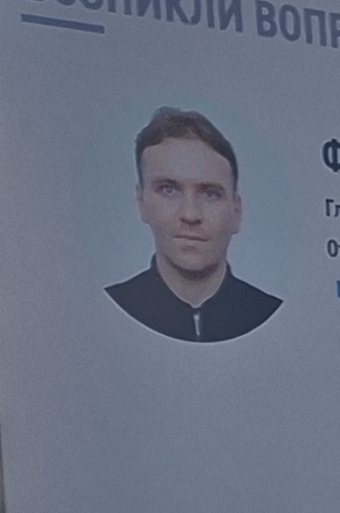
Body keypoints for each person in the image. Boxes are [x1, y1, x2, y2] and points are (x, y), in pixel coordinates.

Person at [106, 108, 281, 343]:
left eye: (210, 194)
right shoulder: (109, 306)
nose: (190, 214)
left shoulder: (270, 313)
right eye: (169, 189)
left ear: (237, 212)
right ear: (141, 202)